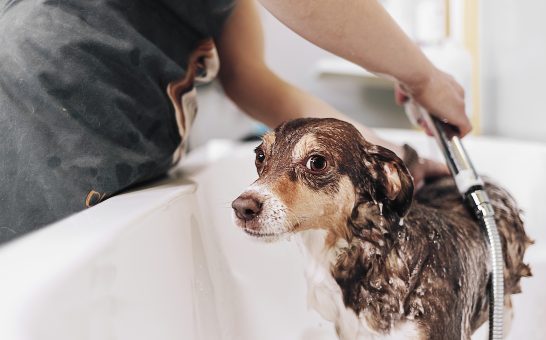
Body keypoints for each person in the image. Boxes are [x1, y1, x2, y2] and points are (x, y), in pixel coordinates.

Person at [0, 0, 468, 244]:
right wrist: (421, 75)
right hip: (51, 103)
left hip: (121, 128)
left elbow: (254, 81)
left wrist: (381, 154)